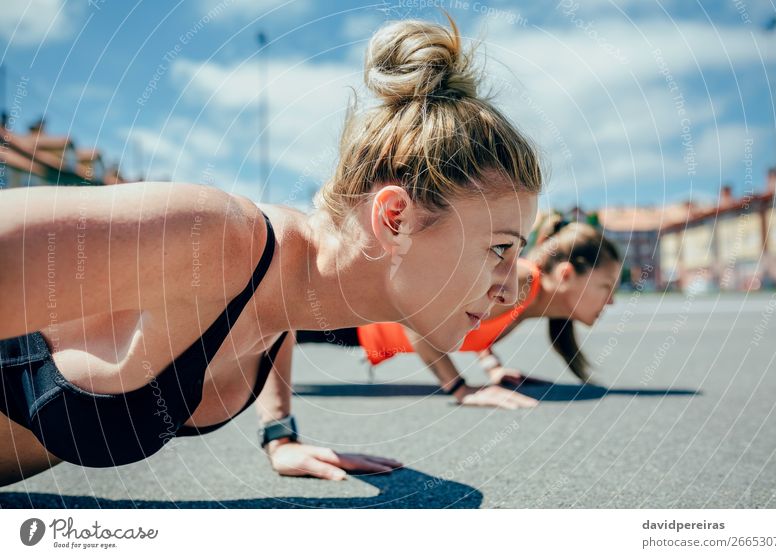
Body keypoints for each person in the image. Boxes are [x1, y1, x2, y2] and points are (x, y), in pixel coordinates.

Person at [0, 15, 543, 485]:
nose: (513, 283)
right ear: (394, 218)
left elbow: (273, 317)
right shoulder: (211, 238)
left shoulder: (291, 287)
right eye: (499, 248)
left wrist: (280, 435)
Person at [296, 215, 621, 410]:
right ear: (566, 276)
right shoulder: (520, 282)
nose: (611, 302)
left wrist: (492, 366)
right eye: (606, 287)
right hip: (355, 315)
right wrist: (460, 388)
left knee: (262, 344)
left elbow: (473, 315)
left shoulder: (527, 297)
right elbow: (416, 321)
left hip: (361, 327)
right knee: (260, 336)